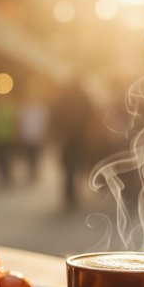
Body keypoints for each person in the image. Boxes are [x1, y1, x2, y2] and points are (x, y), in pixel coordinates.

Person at [52, 78, 92, 209]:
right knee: (77, 165)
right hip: (80, 136)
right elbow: (91, 113)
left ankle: (68, 193)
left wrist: (57, 132)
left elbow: (55, 114)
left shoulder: (64, 97)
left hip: (67, 136)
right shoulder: (84, 96)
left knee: (68, 166)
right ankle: (74, 193)